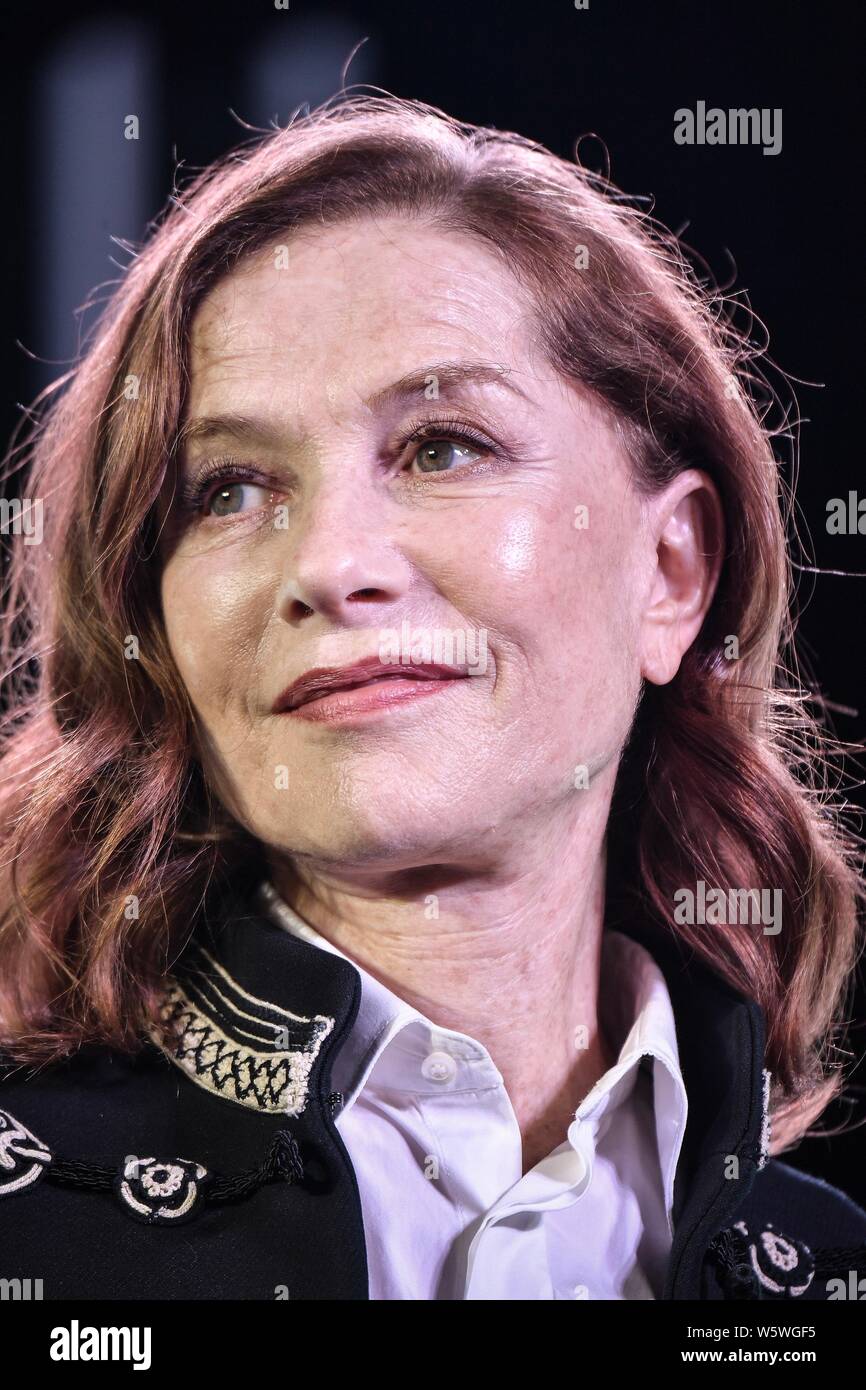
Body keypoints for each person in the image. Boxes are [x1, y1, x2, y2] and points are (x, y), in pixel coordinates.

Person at [1, 92, 865, 1301]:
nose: (324, 563)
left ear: (669, 572)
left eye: (441, 446)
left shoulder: (831, 1276)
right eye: (231, 489)